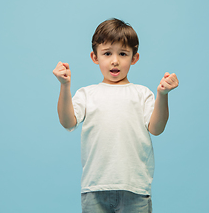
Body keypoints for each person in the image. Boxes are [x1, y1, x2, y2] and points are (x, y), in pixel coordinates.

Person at [53, 18, 179, 213]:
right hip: (94, 188)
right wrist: (65, 85)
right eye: (107, 53)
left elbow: (157, 128)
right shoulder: (87, 94)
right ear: (95, 57)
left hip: (135, 188)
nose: (115, 60)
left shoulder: (142, 93)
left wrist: (162, 95)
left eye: (123, 53)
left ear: (134, 58)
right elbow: (67, 122)